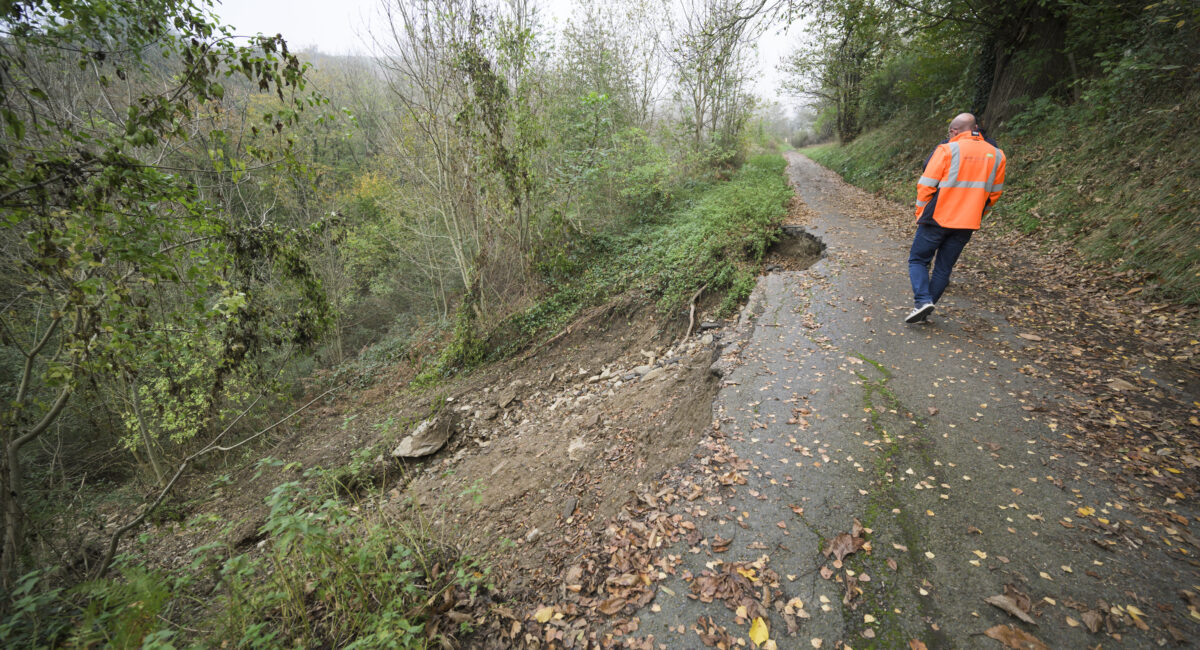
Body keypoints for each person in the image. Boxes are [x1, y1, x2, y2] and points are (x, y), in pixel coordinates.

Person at [905, 112, 1006, 324]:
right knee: (943, 267)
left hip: (938, 218)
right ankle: (924, 308)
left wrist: (920, 213)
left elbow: (926, 185)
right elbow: (994, 194)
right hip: (967, 222)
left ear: (954, 131)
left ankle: (923, 301)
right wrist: (979, 215)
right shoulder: (997, 155)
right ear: (975, 127)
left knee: (918, 260)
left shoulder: (947, 149)